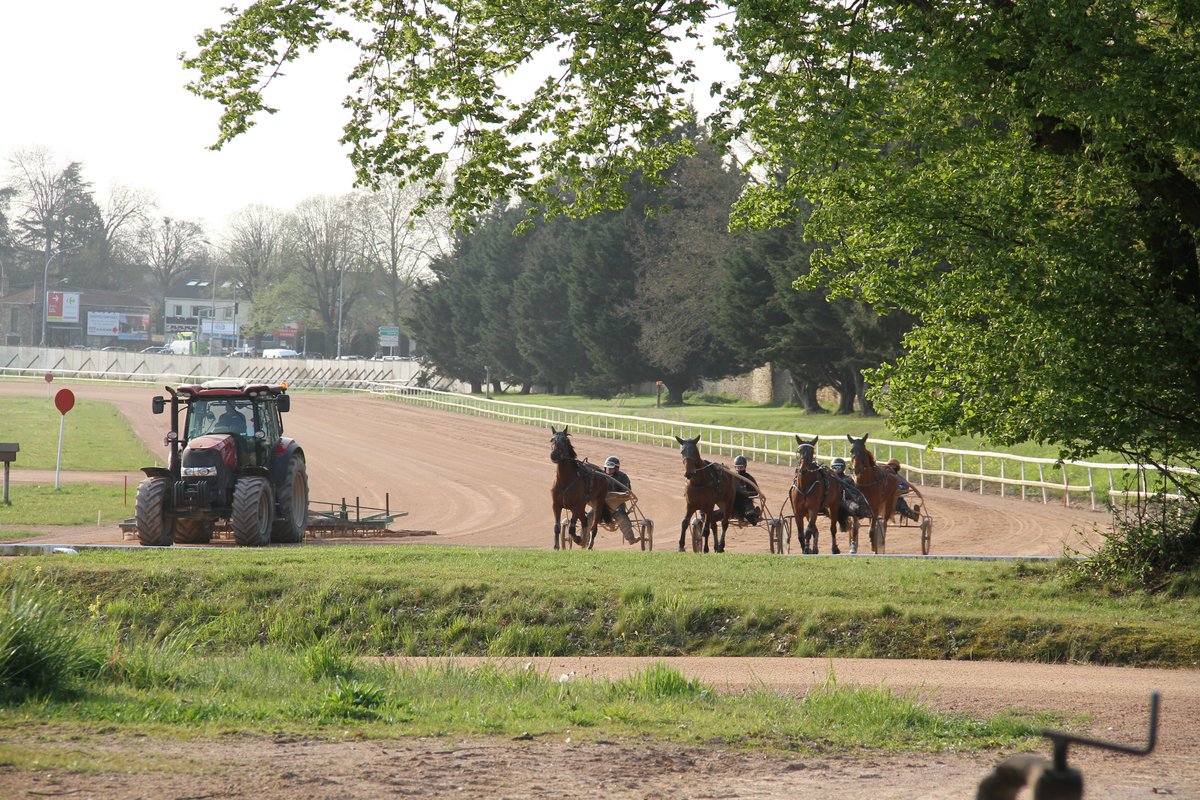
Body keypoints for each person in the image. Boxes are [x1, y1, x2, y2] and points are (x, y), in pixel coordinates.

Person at [603, 456, 636, 543]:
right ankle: (584, 540)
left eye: (611, 469)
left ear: (616, 468)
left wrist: (623, 494)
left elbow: (627, 491)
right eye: (607, 469)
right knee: (590, 517)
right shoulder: (601, 476)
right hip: (602, 505)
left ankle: (630, 538)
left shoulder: (623, 477)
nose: (608, 471)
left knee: (622, 517)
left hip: (617, 504)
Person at [733, 455, 762, 525]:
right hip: (734, 503)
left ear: (745, 466)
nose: (739, 469)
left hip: (746, 503)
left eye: (741, 467)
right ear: (735, 467)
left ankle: (755, 513)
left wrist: (746, 494)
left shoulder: (749, 478)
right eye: (737, 467)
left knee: (752, 518)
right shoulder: (732, 478)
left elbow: (756, 492)